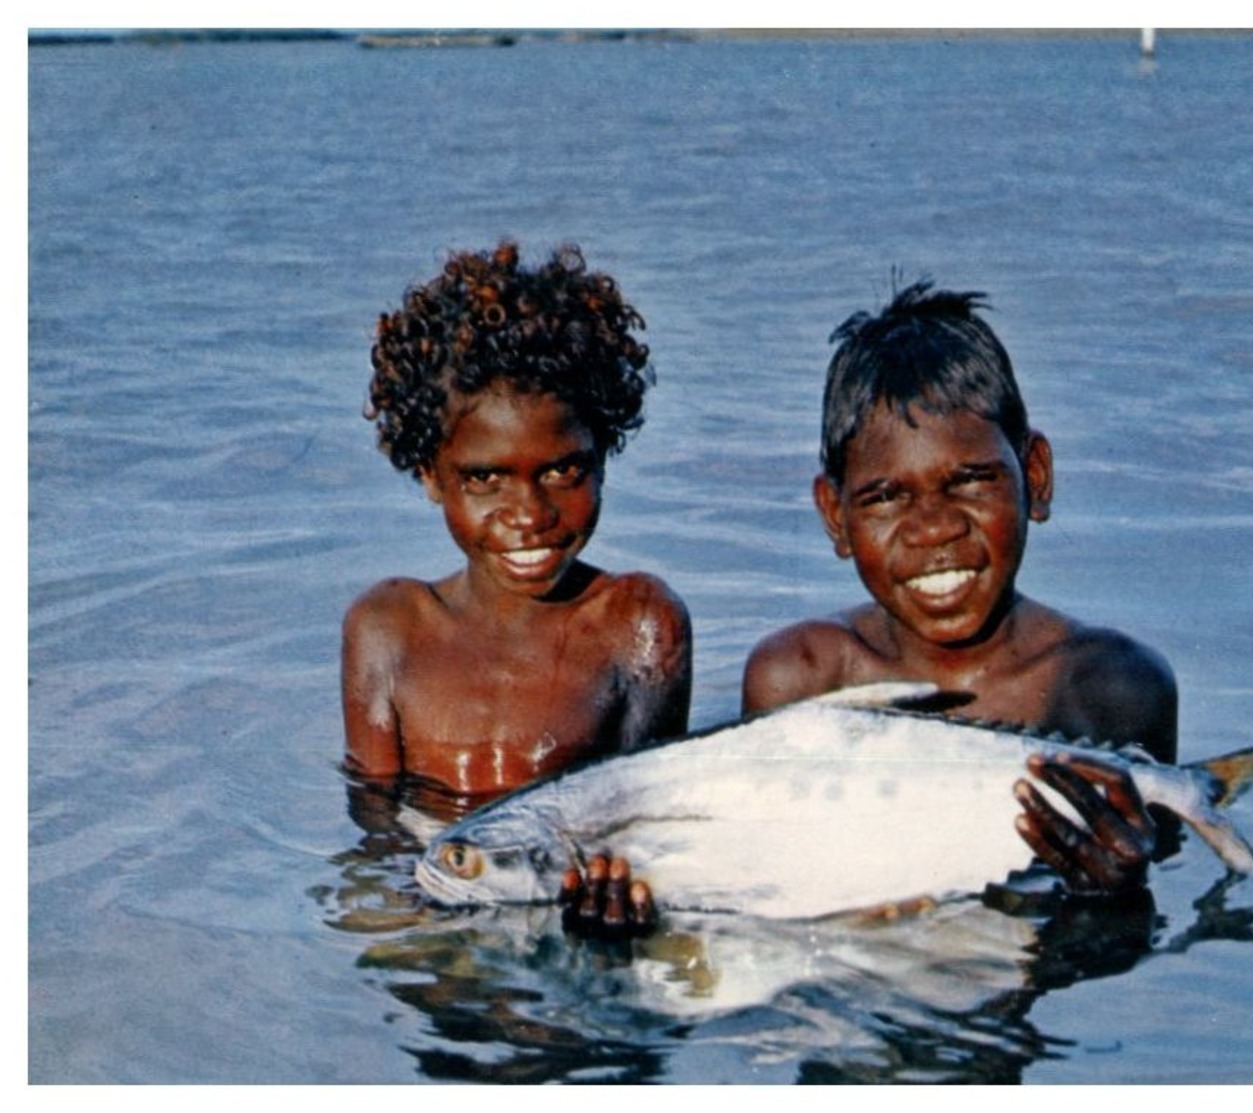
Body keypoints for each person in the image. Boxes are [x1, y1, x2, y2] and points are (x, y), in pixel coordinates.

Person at [742, 282, 1177, 895]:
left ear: (1036, 478)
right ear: (835, 516)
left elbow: (1158, 875)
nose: (934, 528)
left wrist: (1111, 895)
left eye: (971, 481)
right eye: (886, 497)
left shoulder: (1113, 687)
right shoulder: (801, 677)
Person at [342, 241, 691, 932]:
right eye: (485, 479)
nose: (529, 515)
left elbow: (646, 824)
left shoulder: (639, 623)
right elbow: (376, 829)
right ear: (431, 474)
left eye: (563, 471)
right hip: (436, 906)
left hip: (567, 914)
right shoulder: (387, 628)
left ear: (603, 456)